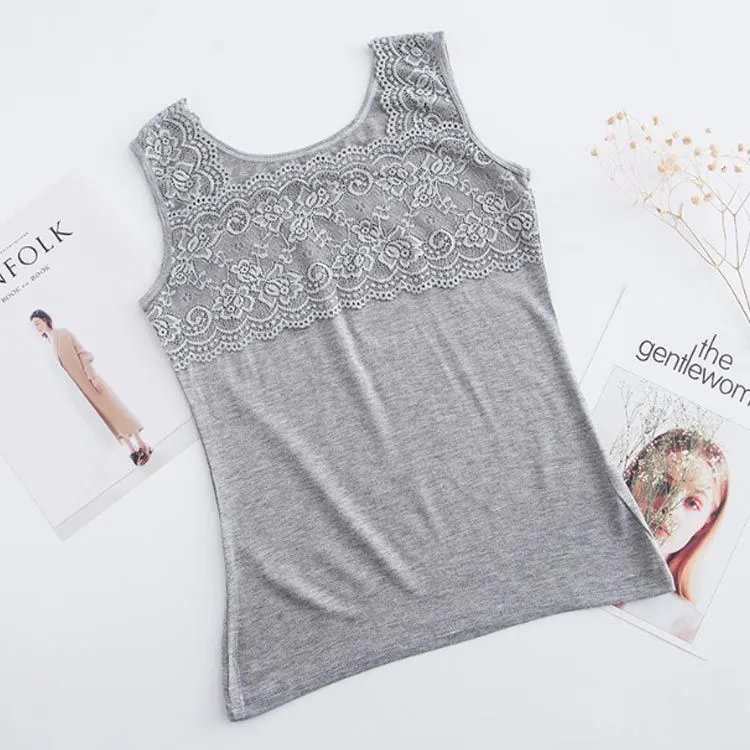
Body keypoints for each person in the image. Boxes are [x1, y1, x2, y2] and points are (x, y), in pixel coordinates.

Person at [29, 308, 153, 466]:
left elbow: (82, 354)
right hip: (80, 391)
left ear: (45, 320)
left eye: (37, 323)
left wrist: (92, 377)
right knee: (106, 419)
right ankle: (132, 449)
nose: (36, 327)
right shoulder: (50, 345)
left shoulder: (63, 334)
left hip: (90, 382)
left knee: (115, 411)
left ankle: (142, 444)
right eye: (34, 325)